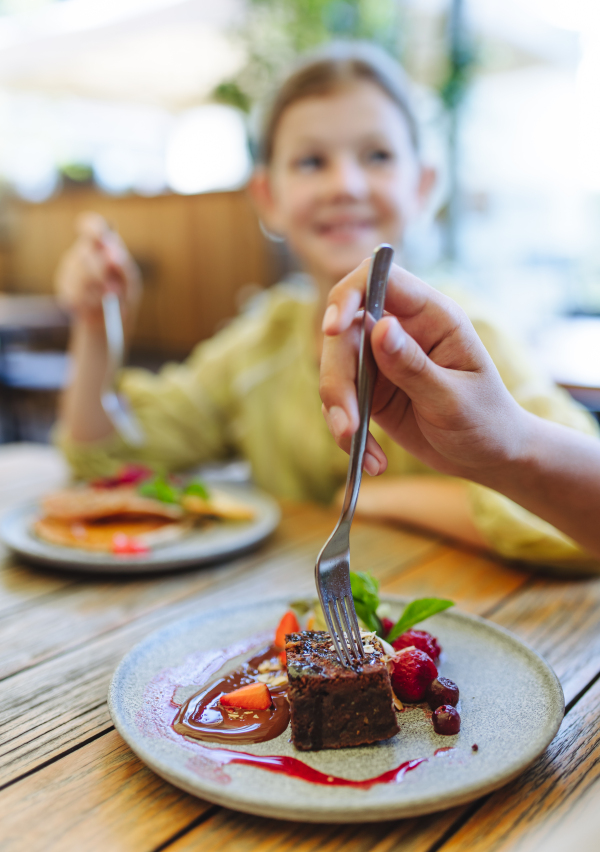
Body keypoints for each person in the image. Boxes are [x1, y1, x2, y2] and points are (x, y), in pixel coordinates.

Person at [54, 40, 598, 570]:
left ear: (423, 186)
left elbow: (571, 521)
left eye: (377, 155)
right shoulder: (260, 340)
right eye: (312, 161)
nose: (346, 183)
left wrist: (382, 500)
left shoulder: (468, 336)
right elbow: (108, 458)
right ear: (268, 198)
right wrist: (96, 322)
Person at [320, 260, 600, 558]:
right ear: (268, 210)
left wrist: (512, 448)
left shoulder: (469, 325)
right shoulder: (272, 335)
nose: (340, 208)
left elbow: (560, 544)